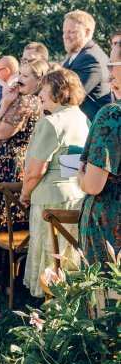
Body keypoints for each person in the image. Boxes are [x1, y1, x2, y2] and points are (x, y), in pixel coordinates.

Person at [21, 69, 89, 297]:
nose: (40, 93)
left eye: (45, 88)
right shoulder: (83, 118)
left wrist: (24, 193)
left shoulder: (51, 123)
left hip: (51, 201)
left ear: (58, 90)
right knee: (69, 255)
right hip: (78, 196)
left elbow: (34, 171)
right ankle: (70, 302)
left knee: (51, 253)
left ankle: (48, 301)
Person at [0, 58, 48, 278]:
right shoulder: (34, 101)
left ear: (39, 80)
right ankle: (11, 272)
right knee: (13, 213)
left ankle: (3, 274)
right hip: (19, 160)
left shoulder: (25, 103)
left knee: (5, 214)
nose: (20, 79)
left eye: (26, 76)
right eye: (21, 74)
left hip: (13, 162)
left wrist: (5, 106)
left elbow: (0, 133)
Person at [78, 42, 121, 265]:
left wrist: (81, 177)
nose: (108, 72)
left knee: (106, 296)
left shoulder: (112, 116)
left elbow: (93, 185)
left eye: (112, 64)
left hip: (111, 228)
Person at [62, 10, 110, 121]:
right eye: (64, 31)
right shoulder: (76, 57)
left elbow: (69, 97)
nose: (66, 36)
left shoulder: (90, 59)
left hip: (93, 131)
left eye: (71, 32)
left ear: (87, 32)